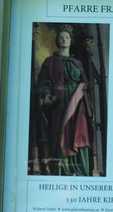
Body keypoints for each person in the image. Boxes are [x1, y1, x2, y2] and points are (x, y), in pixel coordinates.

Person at [33, 25, 96, 176]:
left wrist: (83, 91)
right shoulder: (50, 61)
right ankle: (65, 169)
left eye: (66, 37)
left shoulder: (77, 63)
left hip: (78, 102)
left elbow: (85, 82)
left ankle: (80, 169)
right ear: (57, 41)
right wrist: (47, 95)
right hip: (60, 102)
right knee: (63, 133)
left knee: (80, 132)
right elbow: (44, 81)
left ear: (70, 41)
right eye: (61, 37)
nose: (64, 40)